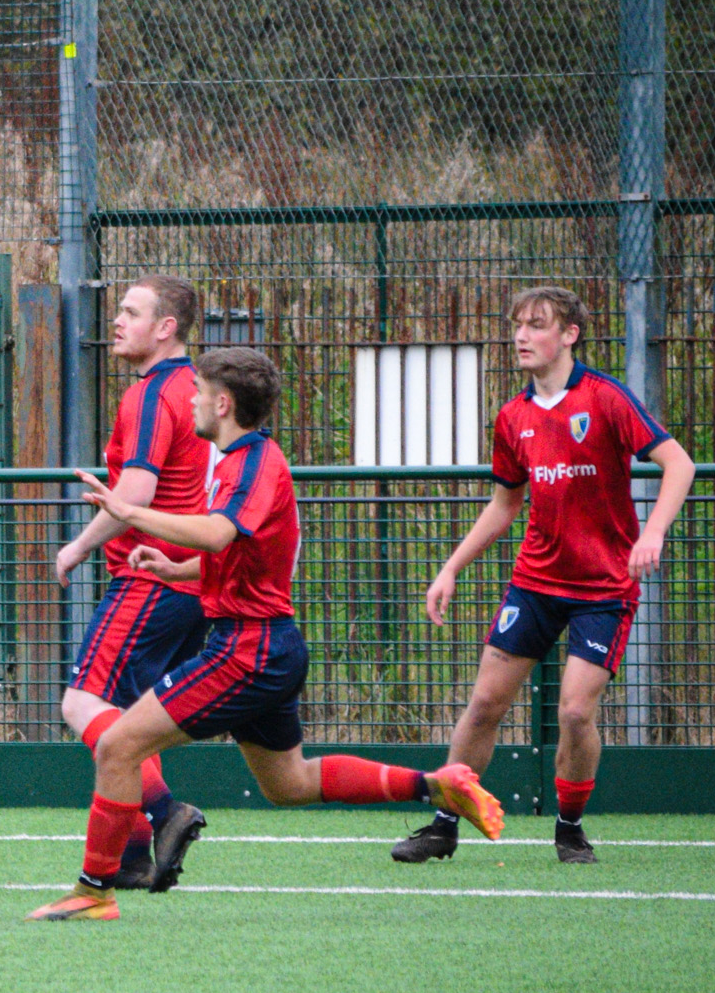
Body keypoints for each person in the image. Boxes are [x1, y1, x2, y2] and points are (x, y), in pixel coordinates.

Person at [29, 347, 504, 923]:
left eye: (198, 393)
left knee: (117, 745)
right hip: (260, 646)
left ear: (222, 404)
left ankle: (94, 892)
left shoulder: (255, 460)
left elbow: (217, 533)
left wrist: (128, 514)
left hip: (246, 651)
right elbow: (239, 556)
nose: (191, 400)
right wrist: (173, 567)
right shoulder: (232, 460)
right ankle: (437, 785)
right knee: (290, 784)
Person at [395, 286, 698, 866]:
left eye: (536, 325)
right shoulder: (513, 417)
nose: (522, 336)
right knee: (485, 704)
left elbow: (678, 463)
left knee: (576, 712)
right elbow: (505, 504)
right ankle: (441, 825)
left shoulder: (605, 399)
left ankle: (569, 827)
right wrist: (451, 567)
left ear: (568, 335)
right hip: (534, 583)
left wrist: (652, 531)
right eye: (517, 326)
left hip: (603, 590)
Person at [50, 275, 214, 890]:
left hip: (150, 575)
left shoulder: (149, 396)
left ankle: (167, 812)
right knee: (133, 720)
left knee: (80, 704)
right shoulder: (199, 388)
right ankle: (136, 855)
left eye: (130, 311)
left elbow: (136, 493)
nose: (117, 320)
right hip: (194, 579)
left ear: (165, 328)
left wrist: (76, 547)